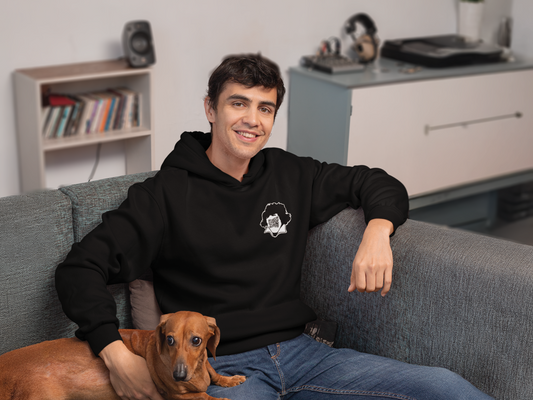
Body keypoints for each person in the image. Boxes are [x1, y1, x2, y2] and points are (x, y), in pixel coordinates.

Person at [55, 53, 492, 400]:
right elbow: (79, 269)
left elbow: (375, 181)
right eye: (238, 103)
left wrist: (379, 230)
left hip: (305, 355)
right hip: (221, 369)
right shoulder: (163, 195)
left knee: (445, 387)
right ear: (210, 109)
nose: (252, 120)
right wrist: (115, 354)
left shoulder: (290, 173)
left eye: (265, 108)